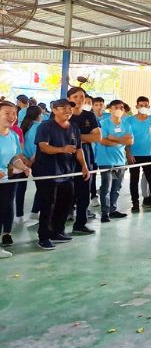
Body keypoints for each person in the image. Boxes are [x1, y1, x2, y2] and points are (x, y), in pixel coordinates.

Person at [33, 99, 90, 250]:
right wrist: (62, 149)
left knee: (65, 202)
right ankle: (43, 237)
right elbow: (43, 147)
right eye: (63, 108)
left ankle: (57, 231)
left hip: (67, 172)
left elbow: (78, 149)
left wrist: (84, 166)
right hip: (47, 172)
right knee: (48, 204)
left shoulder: (74, 128)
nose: (68, 110)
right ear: (54, 109)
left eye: (70, 108)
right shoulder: (45, 126)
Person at [67, 86, 101, 235]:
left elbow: (97, 137)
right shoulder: (63, 115)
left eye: (81, 97)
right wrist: (84, 138)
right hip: (65, 158)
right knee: (65, 191)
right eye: (75, 97)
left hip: (86, 157)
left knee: (84, 191)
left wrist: (75, 138)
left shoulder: (89, 116)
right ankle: (58, 225)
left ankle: (80, 223)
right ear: (69, 99)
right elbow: (58, 137)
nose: (79, 100)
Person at [0, 101, 31, 257]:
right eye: (7, 113)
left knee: (4, 208)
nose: (12, 117)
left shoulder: (12, 135)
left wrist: (24, 167)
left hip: (5, 179)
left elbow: (13, 157)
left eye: (14, 113)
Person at [95, 100, 132, 222]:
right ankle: (105, 213)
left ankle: (113, 210)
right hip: (105, 159)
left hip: (120, 160)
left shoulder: (126, 124)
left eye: (121, 107)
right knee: (106, 187)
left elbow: (130, 141)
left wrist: (113, 138)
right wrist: (121, 140)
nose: (119, 109)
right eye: (116, 107)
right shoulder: (103, 123)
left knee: (116, 187)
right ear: (110, 109)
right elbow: (103, 140)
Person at [126, 96, 151, 212]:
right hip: (134, 155)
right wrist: (128, 153)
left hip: (148, 155)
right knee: (134, 180)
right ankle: (135, 204)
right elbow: (126, 138)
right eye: (141, 105)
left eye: (145, 105)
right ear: (137, 106)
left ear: (149, 107)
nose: (143, 107)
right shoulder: (129, 120)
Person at [17, 106, 42, 224]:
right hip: (35, 161)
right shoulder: (39, 127)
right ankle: (34, 211)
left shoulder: (24, 127)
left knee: (20, 188)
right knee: (41, 187)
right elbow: (39, 147)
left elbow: (20, 145)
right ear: (39, 115)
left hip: (22, 161)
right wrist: (31, 161)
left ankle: (19, 214)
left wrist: (24, 159)